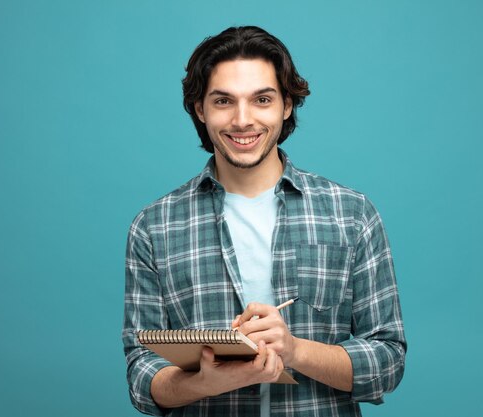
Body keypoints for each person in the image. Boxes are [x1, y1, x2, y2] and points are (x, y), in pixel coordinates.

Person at [123, 26, 406, 417]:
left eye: (262, 99)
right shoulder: (154, 227)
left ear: (286, 105)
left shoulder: (352, 214)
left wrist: (294, 349)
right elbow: (141, 373)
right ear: (200, 109)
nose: (243, 120)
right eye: (224, 101)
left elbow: (388, 361)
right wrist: (201, 384)